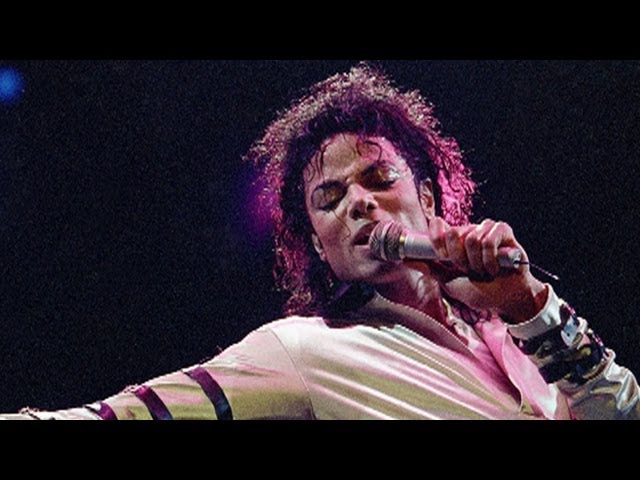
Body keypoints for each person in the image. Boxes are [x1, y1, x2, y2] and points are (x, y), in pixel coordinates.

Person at [2, 62, 638, 420]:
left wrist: (531, 308)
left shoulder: (512, 332)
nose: (358, 201)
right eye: (329, 200)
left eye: (379, 179)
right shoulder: (304, 352)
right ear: (319, 244)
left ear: (430, 198)